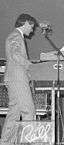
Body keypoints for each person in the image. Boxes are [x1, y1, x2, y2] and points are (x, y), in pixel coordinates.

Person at [1, 13, 38, 144]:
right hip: (17, 79)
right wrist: (31, 66)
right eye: (31, 26)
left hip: (14, 78)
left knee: (14, 114)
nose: (32, 30)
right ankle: (29, 141)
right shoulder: (16, 36)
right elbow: (16, 55)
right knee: (29, 110)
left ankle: (5, 142)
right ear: (26, 23)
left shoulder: (16, 36)